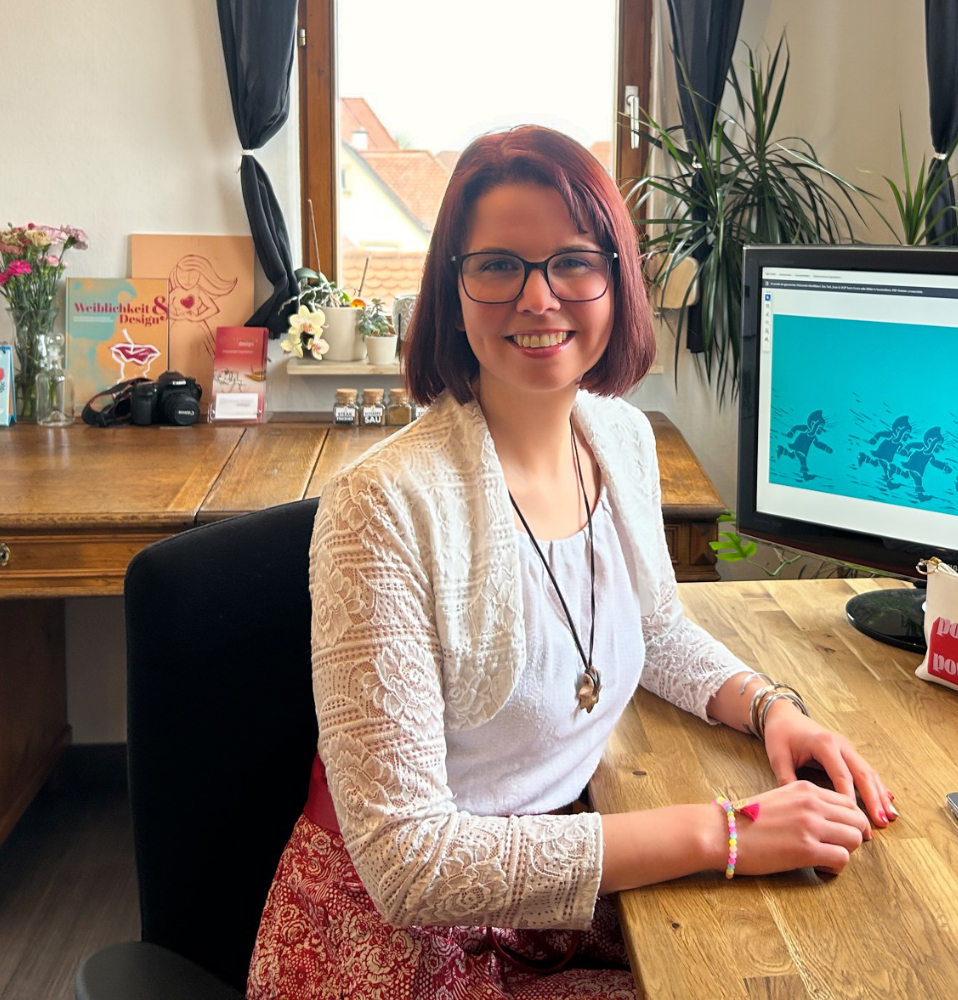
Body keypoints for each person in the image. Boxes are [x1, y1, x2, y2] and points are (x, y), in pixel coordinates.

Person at [247, 125, 896, 1000]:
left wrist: (772, 709)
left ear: (615, 281)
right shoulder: (385, 508)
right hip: (404, 951)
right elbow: (408, 863)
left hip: (551, 904)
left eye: (573, 263)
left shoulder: (621, 439)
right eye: (498, 266)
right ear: (455, 288)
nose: (538, 298)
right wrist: (726, 834)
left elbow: (654, 628)